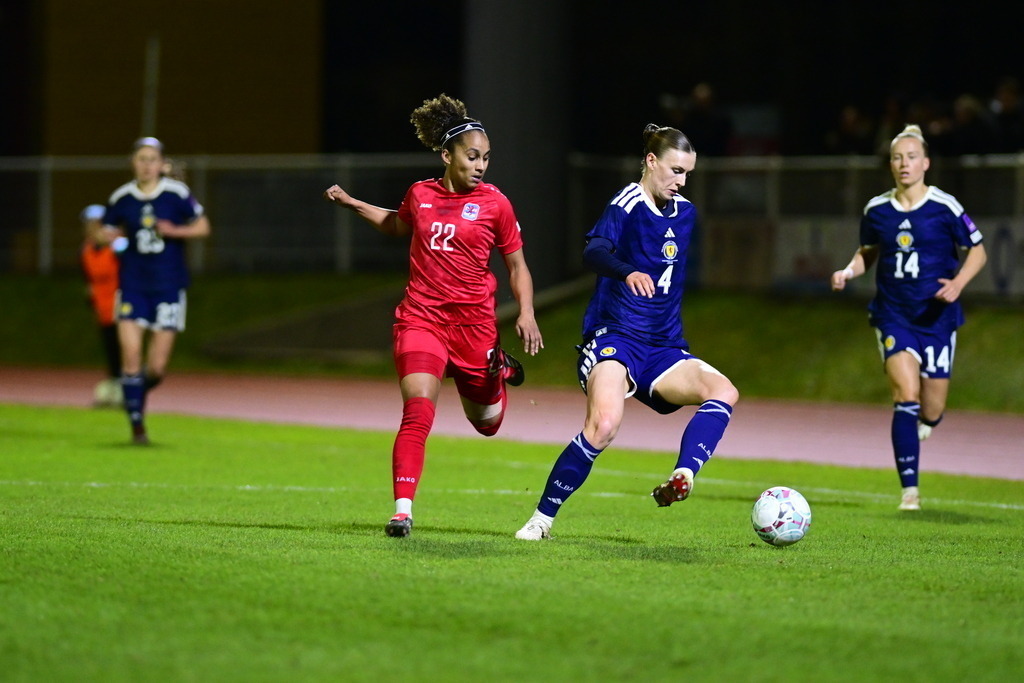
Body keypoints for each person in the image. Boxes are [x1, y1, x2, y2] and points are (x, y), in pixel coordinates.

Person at [323, 93, 544, 538]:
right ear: (447, 155)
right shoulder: (420, 195)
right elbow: (397, 225)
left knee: (487, 425)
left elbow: (517, 265)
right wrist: (353, 204)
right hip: (421, 319)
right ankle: (402, 511)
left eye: (486, 158)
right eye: (472, 156)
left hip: (475, 327)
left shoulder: (495, 204)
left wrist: (527, 312)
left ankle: (496, 368)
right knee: (417, 410)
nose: (481, 165)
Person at [515, 124, 738, 541]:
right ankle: (541, 519)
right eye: (674, 170)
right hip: (614, 337)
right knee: (604, 425)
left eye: (687, 173)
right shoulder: (628, 202)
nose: (681, 181)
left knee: (724, 391)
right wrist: (628, 270)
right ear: (651, 161)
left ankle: (683, 476)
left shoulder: (685, 213)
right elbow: (594, 251)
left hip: (664, 348)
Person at [831, 124, 987, 511]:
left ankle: (927, 424)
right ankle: (910, 493)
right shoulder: (877, 209)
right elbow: (867, 251)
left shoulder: (945, 207)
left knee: (931, 410)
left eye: (912, 157)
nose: (904, 164)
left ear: (926, 163)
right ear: (891, 164)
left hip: (936, 319)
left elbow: (978, 250)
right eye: (898, 158)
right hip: (893, 315)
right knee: (905, 397)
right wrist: (849, 271)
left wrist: (958, 284)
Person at [102, 137, 211, 444]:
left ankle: (133, 393)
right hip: (133, 285)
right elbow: (105, 230)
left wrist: (176, 231)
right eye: (141, 158)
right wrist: (106, 236)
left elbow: (203, 227)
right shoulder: (123, 196)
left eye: (152, 159)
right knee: (131, 354)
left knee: (157, 367)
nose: (147, 164)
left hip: (168, 286)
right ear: (132, 162)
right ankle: (137, 425)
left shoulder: (176, 193)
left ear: (162, 163)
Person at [79, 203, 122, 407]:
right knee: (111, 351)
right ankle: (114, 392)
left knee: (124, 352)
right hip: (103, 310)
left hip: (123, 309)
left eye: (98, 224)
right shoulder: (86, 251)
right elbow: (89, 282)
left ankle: (127, 392)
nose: (93, 229)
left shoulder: (119, 247)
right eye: (90, 225)